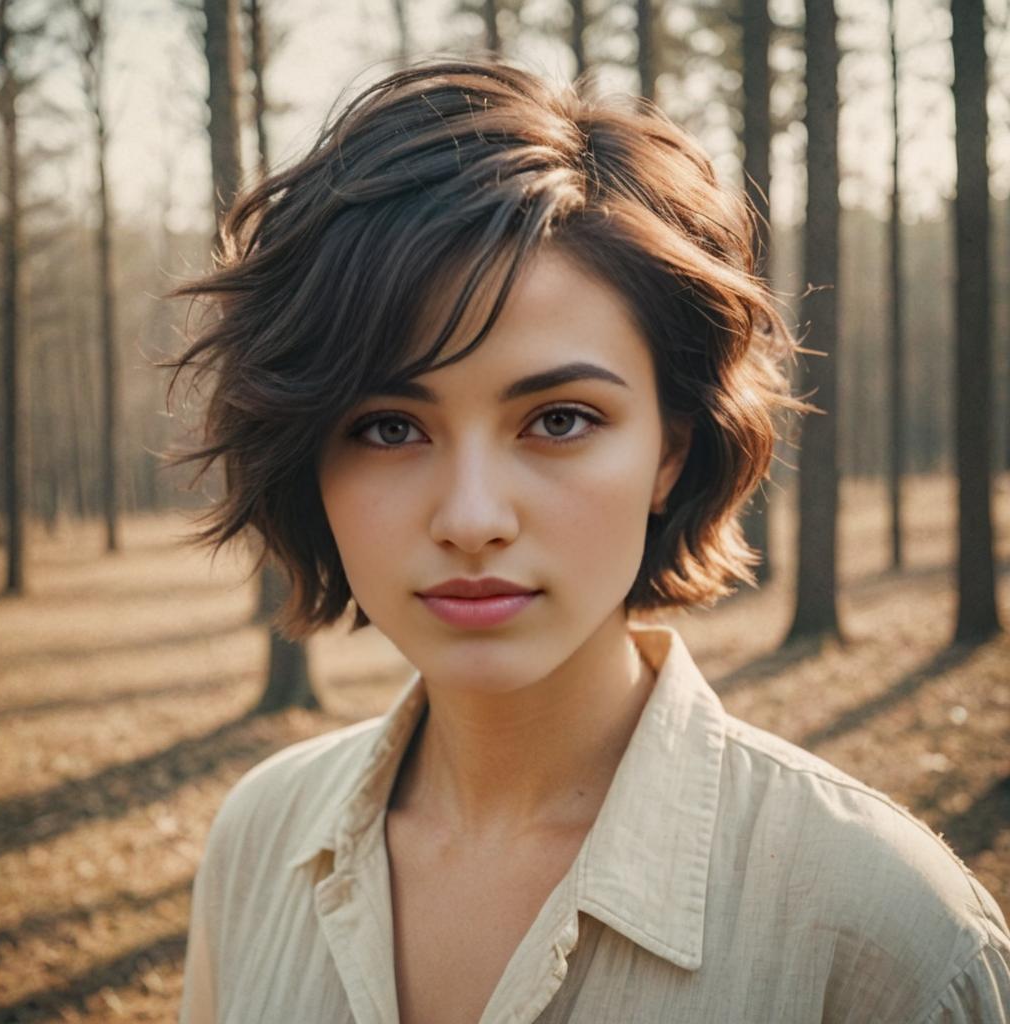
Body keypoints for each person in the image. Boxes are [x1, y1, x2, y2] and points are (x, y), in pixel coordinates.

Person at [170, 57, 1009, 1024]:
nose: (473, 517)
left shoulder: (888, 936)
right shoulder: (260, 841)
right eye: (390, 427)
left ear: (670, 451)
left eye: (559, 420)